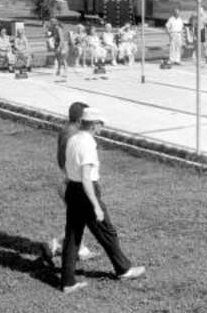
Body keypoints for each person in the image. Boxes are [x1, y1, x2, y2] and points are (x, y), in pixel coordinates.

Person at [61, 107, 145, 293]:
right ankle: (124, 269)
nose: (102, 127)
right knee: (107, 232)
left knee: (73, 237)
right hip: (85, 191)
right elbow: (86, 178)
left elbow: (68, 168)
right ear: (94, 124)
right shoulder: (88, 144)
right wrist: (96, 205)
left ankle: (67, 281)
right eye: (101, 124)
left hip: (72, 190)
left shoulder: (73, 139)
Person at [48, 102, 96, 262]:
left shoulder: (67, 130)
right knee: (79, 219)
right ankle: (54, 243)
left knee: (78, 217)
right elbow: (68, 160)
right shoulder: (73, 134)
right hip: (69, 182)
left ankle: (80, 250)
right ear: (80, 118)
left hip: (66, 180)